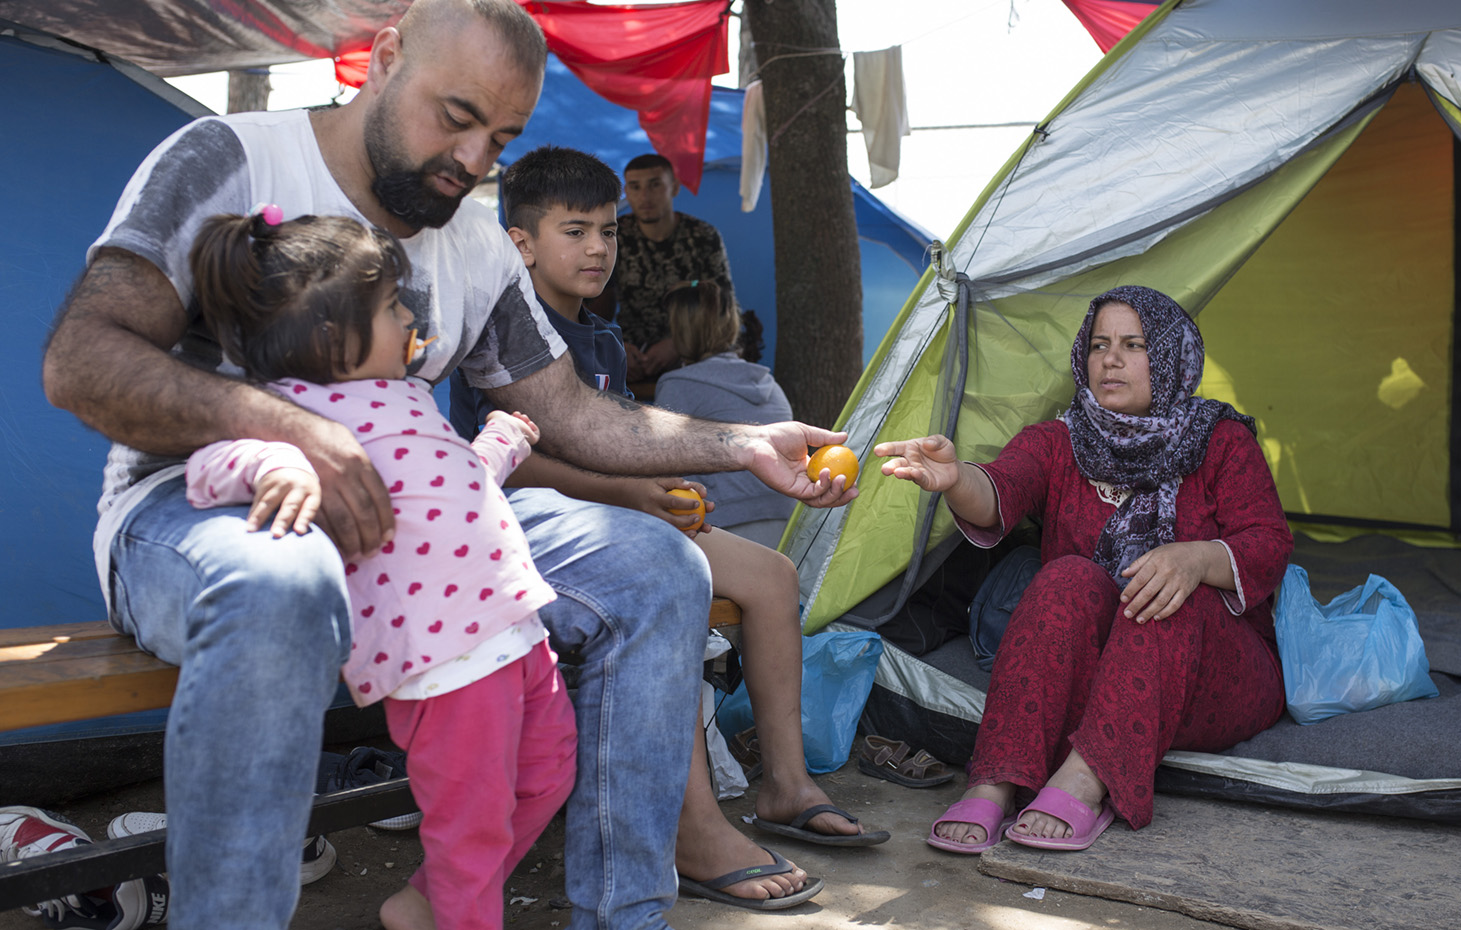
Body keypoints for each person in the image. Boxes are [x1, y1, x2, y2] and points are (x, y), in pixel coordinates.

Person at [39, 3, 854, 930]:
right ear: (384, 59)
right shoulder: (231, 158)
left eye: (500, 137)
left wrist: (741, 442)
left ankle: (627, 913)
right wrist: (286, 429)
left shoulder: (472, 238)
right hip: (203, 509)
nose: (472, 161)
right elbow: (82, 358)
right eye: (456, 117)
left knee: (659, 565)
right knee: (282, 583)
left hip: (417, 521)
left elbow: (569, 410)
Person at [451, 144, 881, 913]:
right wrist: (635, 493)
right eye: (575, 231)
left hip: (620, 517)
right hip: (532, 531)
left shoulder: (606, 340)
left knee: (773, 576)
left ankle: (786, 783)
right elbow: (508, 464)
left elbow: (621, 448)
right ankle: (695, 822)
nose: (598, 248)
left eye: (609, 232)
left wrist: (665, 491)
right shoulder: (498, 332)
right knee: (664, 583)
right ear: (519, 243)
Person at [182, 209, 574, 930]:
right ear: (335, 340)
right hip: (445, 657)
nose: (410, 318)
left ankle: (423, 903)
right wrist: (274, 460)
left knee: (548, 774)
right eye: (394, 306)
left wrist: (501, 444)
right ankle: (454, 913)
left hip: (514, 628)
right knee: (473, 828)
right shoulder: (290, 410)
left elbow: (446, 490)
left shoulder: (405, 391)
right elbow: (205, 468)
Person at [875, 285, 1291, 854]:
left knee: (1163, 588)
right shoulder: (1064, 439)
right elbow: (1002, 489)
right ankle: (996, 780)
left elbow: (1268, 542)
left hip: (1212, 672)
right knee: (1067, 576)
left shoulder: (1222, 441)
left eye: (1133, 345)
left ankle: (1084, 779)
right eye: (1099, 345)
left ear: (1169, 356)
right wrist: (955, 479)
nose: (1111, 359)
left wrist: (1194, 558)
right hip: (1100, 674)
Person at [653, 280, 795, 549]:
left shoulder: (678, 385)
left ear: (679, 331)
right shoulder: (770, 384)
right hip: (787, 520)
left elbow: (658, 469)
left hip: (724, 524)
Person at [594, 153, 734, 381]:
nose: (645, 196)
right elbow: (598, 304)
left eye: (655, 185)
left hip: (694, 347)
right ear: (626, 193)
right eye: (635, 187)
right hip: (632, 352)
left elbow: (721, 304)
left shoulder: (701, 236)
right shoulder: (616, 237)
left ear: (675, 188)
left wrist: (680, 344)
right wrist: (614, 345)